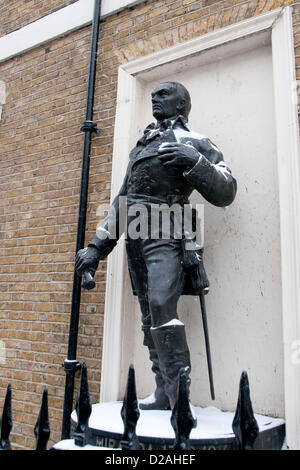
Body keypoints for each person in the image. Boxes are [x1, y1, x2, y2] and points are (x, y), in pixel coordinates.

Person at [75, 81, 237, 413]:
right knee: (149, 313)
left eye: (163, 95)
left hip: (168, 232)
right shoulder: (142, 146)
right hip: (136, 235)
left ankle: (180, 401)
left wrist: (193, 160)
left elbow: (226, 190)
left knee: (163, 304)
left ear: (182, 105)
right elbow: (123, 200)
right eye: (153, 95)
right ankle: (164, 390)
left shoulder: (195, 142)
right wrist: (96, 248)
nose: (155, 99)